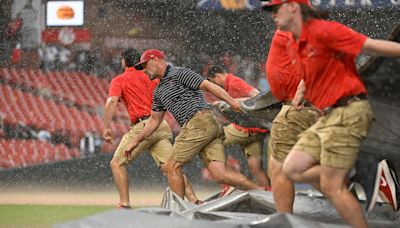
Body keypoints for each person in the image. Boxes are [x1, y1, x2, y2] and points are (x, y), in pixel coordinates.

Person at [263, 0, 400, 227]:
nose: (273, 16)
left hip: (349, 111)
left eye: (277, 10)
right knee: (292, 168)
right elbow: (317, 69)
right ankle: (354, 174)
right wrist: (304, 94)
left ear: (294, 8)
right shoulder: (299, 42)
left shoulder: (326, 30)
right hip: (326, 114)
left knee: (327, 184)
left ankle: (353, 176)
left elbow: (373, 46)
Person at [125, 49, 267, 201]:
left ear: (156, 60)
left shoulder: (179, 72)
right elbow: (154, 121)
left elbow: (208, 86)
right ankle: (264, 191)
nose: (144, 70)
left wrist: (232, 102)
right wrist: (136, 140)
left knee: (171, 167)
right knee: (220, 175)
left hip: (198, 122)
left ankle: (177, 212)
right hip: (209, 125)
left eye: (145, 66)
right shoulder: (158, 92)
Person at [103, 48, 200, 208]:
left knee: (117, 163)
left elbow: (112, 102)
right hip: (161, 125)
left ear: (124, 61)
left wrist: (106, 127)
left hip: (143, 125)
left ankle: (124, 204)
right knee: (171, 167)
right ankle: (194, 200)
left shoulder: (119, 79)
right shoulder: (151, 76)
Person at [264, 29, 317, 213]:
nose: (274, 15)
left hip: (297, 107)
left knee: (279, 168)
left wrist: (301, 90)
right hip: (308, 106)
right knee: (308, 166)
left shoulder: (295, 24)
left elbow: (318, 54)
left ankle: (284, 222)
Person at [206, 65, 270, 187]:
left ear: (218, 77)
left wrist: (227, 102)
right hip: (255, 130)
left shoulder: (234, 83)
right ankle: (269, 194)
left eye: (214, 82)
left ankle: (229, 185)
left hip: (247, 128)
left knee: (213, 143)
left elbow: (257, 97)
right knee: (255, 167)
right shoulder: (231, 84)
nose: (215, 86)